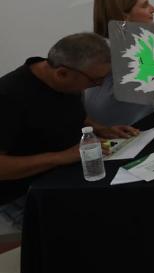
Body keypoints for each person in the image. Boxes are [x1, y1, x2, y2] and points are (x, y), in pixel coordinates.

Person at [0, 33, 139, 231]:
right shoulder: (8, 98)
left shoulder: (64, 81)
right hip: (23, 194)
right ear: (62, 74)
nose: (98, 86)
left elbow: (70, 114)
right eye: (94, 81)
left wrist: (102, 128)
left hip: (66, 174)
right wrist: (61, 157)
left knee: (127, 203)